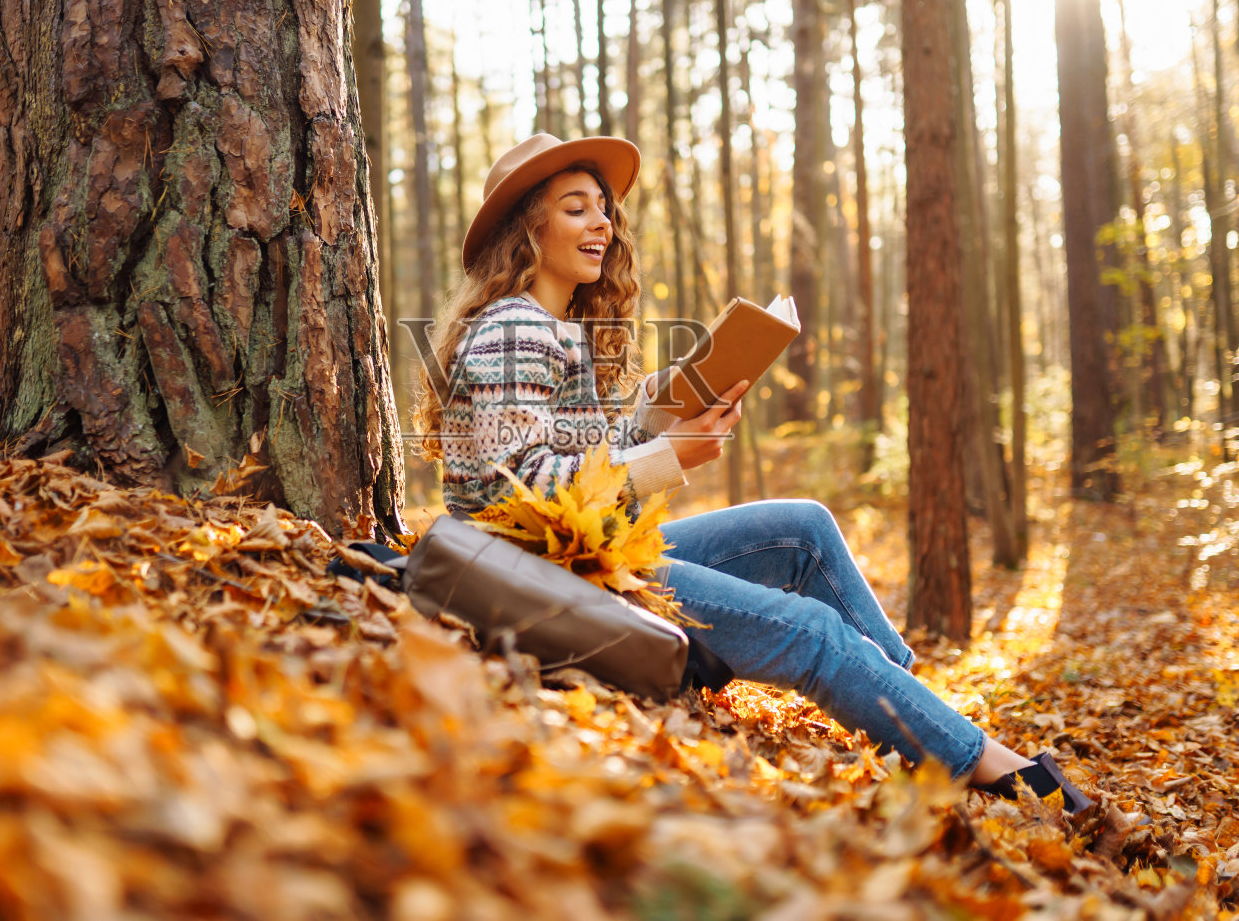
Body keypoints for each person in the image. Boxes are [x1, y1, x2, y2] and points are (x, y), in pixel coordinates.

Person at [411, 133, 1093, 814]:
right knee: (812, 633)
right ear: (526, 229)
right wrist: (667, 456)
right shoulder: (513, 328)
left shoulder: (553, 329)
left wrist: (665, 402)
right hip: (547, 582)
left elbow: (579, 457)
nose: (603, 224)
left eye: (603, 208)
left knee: (802, 528)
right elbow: (518, 488)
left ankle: (913, 708)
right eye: (575, 208)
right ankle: (1010, 776)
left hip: (587, 557)